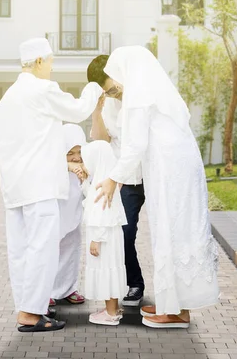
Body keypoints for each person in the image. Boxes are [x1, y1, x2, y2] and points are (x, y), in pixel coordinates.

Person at [94, 46, 219, 329]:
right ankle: (172, 305)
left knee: (172, 233)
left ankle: (174, 311)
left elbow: (135, 145)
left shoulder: (139, 95)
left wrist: (113, 178)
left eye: (115, 83)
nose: (117, 90)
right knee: (176, 232)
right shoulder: (153, 92)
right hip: (176, 168)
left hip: (171, 170)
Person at [0, 37, 103, 332]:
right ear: (40, 61)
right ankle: (32, 313)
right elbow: (79, 109)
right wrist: (96, 87)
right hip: (39, 186)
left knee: (21, 251)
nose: (52, 68)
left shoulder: (9, 96)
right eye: (51, 61)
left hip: (14, 187)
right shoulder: (42, 90)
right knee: (43, 250)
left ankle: (25, 310)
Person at [87, 55, 146, 307]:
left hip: (151, 174)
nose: (114, 94)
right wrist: (97, 111)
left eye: (114, 89)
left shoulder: (142, 93)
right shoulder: (109, 105)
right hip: (125, 179)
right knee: (124, 231)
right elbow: (101, 140)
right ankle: (134, 283)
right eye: (108, 92)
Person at [80, 140, 128, 326]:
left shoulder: (104, 188)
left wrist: (96, 239)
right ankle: (113, 309)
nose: (84, 165)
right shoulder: (105, 183)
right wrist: (84, 181)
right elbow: (91, 198)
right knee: (111, 270)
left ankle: (110, 314)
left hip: (103, 239)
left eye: (86, 161)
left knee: (106, 270)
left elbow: (102, 211)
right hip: (109, 238)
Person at [51, 124, 88, 306]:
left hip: (73, 215)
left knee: (71, 251)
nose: (76, 157)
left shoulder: (85, 165)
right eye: (70, 152)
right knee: (50, 252)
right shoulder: (54, 163)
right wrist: (67, 167)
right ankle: (46, 291)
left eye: (79, 151)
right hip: (56, 214)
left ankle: (67, 288)